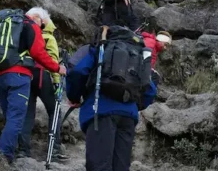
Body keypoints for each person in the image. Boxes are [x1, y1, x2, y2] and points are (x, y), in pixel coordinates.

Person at [0, 7, 67, 164]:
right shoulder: (30, 25)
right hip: (19, 76)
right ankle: (3, 157)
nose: (42, 28)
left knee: (11, 117)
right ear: (36, 17)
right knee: (16, 118)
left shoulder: (5, 26)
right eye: (42, 24)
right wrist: (57, 68)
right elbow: (38, 53)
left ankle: (18, 151)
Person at [66, 39, 158, 171]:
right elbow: (150, 90)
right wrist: (133, 105)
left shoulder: (98, 47)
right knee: (121, 167)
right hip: (128, 116)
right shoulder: (136, 53)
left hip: (100, 111)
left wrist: (74, 97)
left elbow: (77, 71)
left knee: (99, 166)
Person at [16, 15, 68, 161]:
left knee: (28, 113)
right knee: (54, 110)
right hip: (42, 76)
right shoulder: (49, 38)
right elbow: (52, 60)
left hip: (26, 75)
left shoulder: (25, 34)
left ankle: (23, 150)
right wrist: (56, 82)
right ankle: (54, 150)